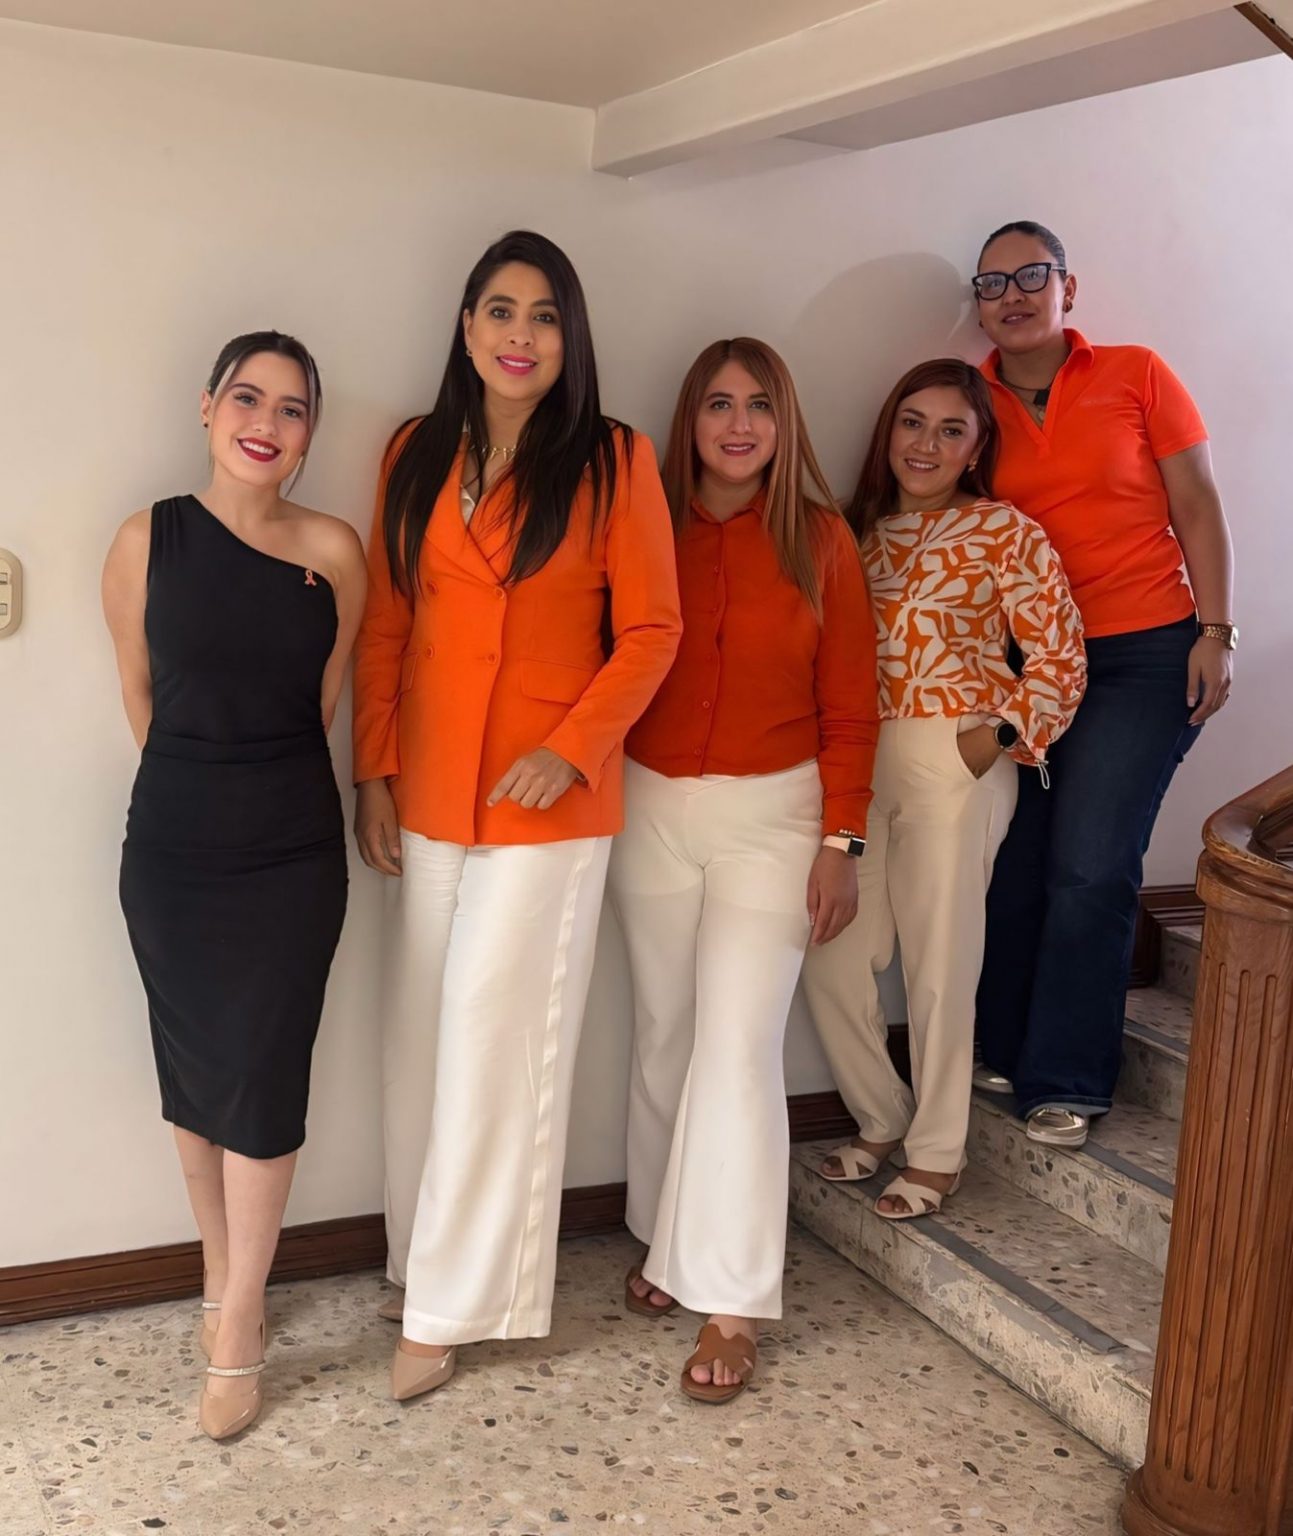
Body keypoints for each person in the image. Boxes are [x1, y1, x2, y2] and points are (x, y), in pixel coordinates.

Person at [352, 230, 682, 1404]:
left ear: (569, 336)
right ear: (467, 325)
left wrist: (572, 746)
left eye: (544, 316)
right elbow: (387, 621)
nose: (520, 335)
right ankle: (416, 1263)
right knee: (418, 1038)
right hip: (432, 786)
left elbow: (652, 632)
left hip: (548, 801)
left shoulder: (614, 457)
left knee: (498, 1041)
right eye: (500, 310)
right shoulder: (413, 449)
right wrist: (374, 770)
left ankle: (454, 1308)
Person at [104, 331, 366, 1439]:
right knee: (195, 1073)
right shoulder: (145, 539)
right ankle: (219, 1268)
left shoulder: (335, 549)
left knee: (262, 1078)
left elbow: (327, 705)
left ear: (310, 432)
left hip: (291, 851)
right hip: (173, 852)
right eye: (248, 398)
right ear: (208, 408)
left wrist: (255, 787)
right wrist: (201, 790)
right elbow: (140, 693)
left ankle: (244, 1314)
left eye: (292, 408)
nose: (267, 422)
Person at [609, 338, 878, 1404]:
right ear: (690, 419)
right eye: (718, 404)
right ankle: (661, 1234)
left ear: (784, 422)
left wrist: (842, 842)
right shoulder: (643, 527)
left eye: (759, 405)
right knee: (664, 1030)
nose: (738, 424)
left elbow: (851, 703)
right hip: (648, 806)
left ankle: (730, 1298)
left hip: (777, 816)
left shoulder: (821, 540)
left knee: (738, 1044)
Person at [971, 221, 1235, 1148]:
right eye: (990, 283)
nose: (1011, 295)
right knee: (1016, 861)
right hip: (1028, 664)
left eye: (1029, 275)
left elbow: (1195, 501)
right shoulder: (970, 400)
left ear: (1067, 287)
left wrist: (1215, 631)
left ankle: (1068, 1077)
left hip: (1144, 654)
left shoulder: (1136, 374)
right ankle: (1002, 1043)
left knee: (1089, 863)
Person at [800, 359, 1085, 1217]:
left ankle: (934, 1153)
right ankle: (880, 1117)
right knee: (828, 952)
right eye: (912, 422)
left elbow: (1060, 658)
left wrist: (985, 742)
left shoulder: (1003, 530)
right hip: (853, 767)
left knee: (938, 965)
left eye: (950, 430)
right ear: (888, 430)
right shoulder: (848, 531)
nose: (925, 444)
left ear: (974, 449)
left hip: (952, 762)